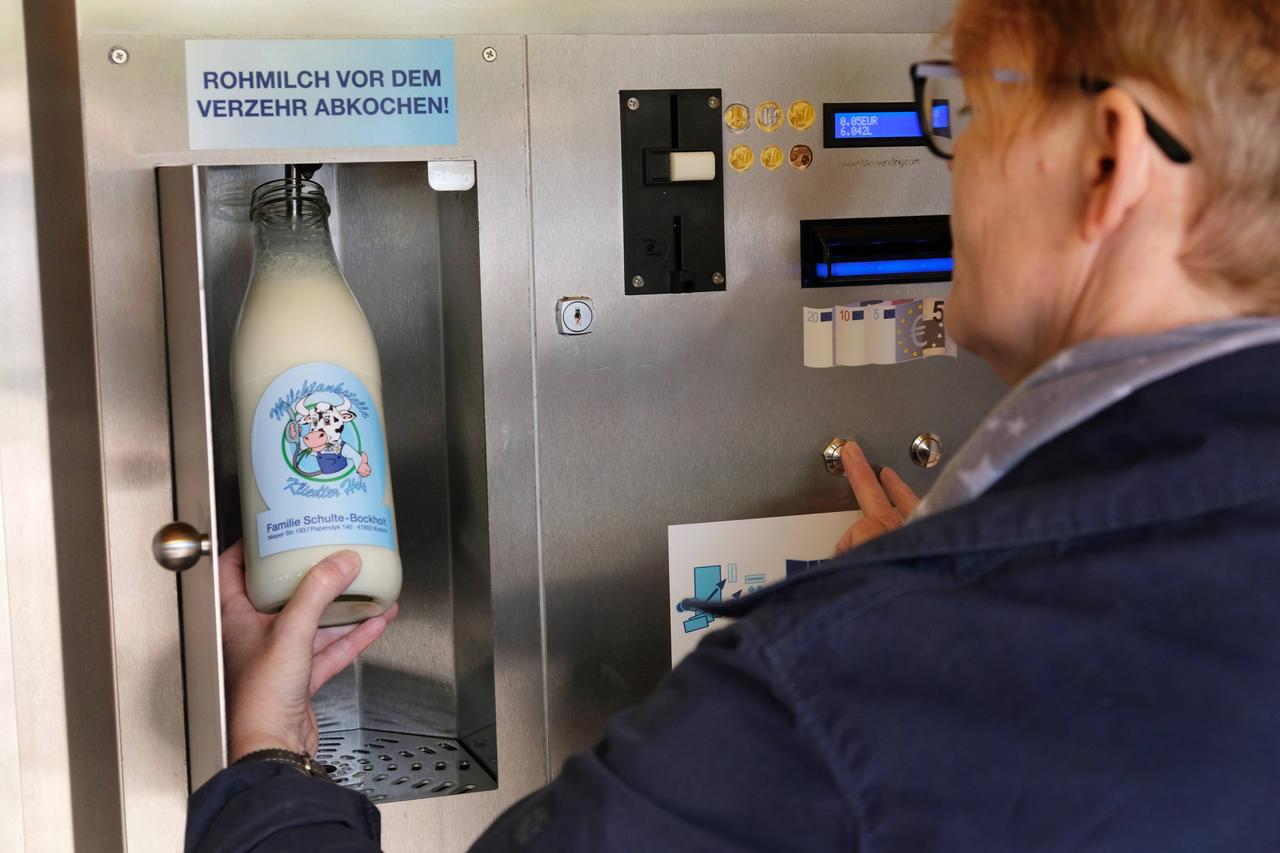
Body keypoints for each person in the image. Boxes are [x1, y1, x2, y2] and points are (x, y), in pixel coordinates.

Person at [187, 0, 1280, 849]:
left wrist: (271, 760)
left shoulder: (848, 681)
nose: (949, 169)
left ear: (1107, 161)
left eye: (968, 116)